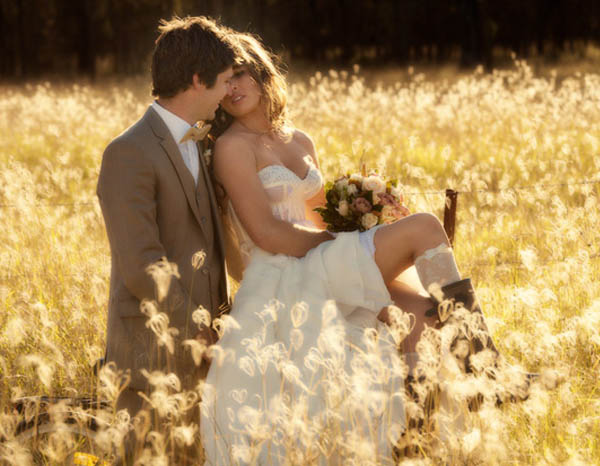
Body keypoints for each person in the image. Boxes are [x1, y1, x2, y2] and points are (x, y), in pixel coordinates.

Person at [200, 32, 526, 465]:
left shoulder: (299, 140)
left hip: (322, 254)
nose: (234, 87)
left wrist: (366, 214)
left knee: (422, 315)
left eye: (239, 73)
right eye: (224, 81)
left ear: (261, 72)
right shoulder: (231, 147)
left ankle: (414, 442)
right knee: (427, 227)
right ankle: (484, 368)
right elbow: (266, 234)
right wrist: (348, 242)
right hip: (285, 269)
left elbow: (321, 218)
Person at [97, 16, 242, 463]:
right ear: (197, 80)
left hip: (207, 356)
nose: (226, 94)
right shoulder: (128, 152)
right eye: (222, 83)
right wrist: (197, 330)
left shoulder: (202, 142)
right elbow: (143, 265)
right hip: (149, 354)